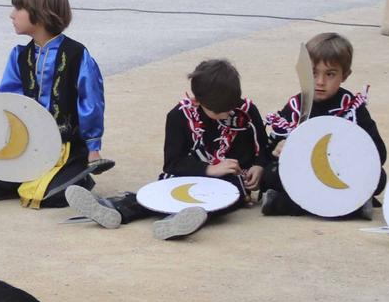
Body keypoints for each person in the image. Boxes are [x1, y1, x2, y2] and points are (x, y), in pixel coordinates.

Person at [67, 58, 265, 241]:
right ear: (197, 102)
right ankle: (114, 208)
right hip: (190, 173)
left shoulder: (245, 111)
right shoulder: (179, 116)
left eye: (231, 107)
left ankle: (178, 221)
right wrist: (209, 169)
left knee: (225, 195)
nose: (228, 112)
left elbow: (263, 145)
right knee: (163, 191)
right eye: (219, 111)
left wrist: (259, 166)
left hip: (231, 177)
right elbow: (172, 163)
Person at [0, 0, 105, 208]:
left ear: (40, 14)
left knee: (50, 196)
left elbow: (90, 101)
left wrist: (94, 147)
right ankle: (9, 181)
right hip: (26, 138)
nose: (11, 15)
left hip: (64, 144)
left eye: (18, 8)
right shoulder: (19, 55)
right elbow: (8, 98)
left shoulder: (76, 55)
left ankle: (78, 176)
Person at [261, 32, 387, 218]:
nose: (320, 82)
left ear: (344, 75)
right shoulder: (296, 106)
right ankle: (354, 208)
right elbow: (269, 148)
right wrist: (279, 149)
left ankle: (284, 205)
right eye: (313, 73)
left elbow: (379, 154)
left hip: (340, 173)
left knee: (379, 178)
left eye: (330, 74)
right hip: (304, 175)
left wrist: (353, 150)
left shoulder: (352, 107)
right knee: (269, 176)